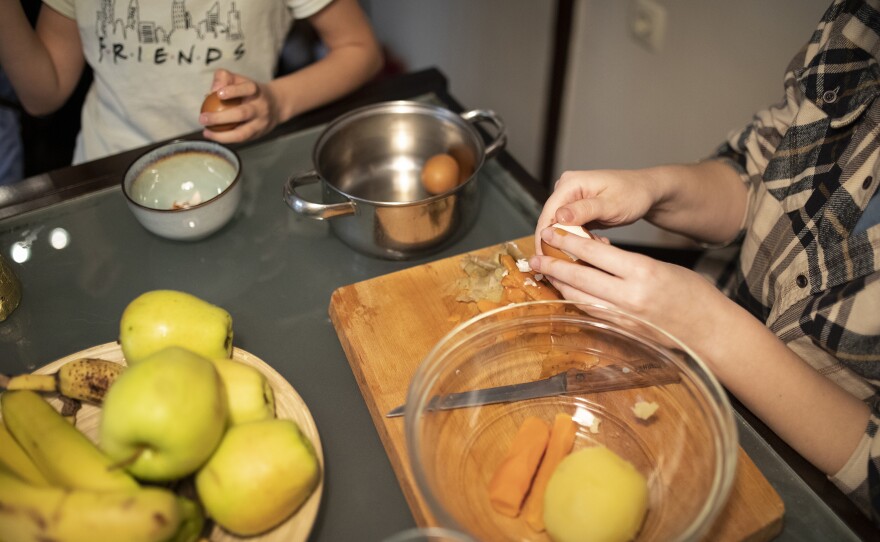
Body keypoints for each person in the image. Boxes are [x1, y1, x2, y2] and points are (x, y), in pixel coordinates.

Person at [530, 0, 880, 525]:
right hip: (695, 387)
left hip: (817, 500)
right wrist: (652, 189)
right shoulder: (861, 19)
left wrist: (710, 328)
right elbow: (759, 173)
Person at [0, 0, 383, 164]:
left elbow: (360, 48)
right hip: (107, 177)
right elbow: (43, 95)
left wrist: (277, 101)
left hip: (236, 169)